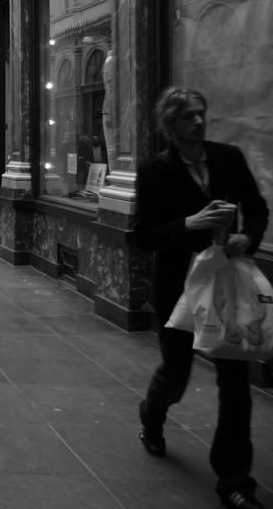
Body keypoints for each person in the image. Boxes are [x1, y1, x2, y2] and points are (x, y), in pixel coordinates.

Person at [135, 87, 269, 509]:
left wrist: (249, 237)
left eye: (201, 114)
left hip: (226, 283)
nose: (198, 121)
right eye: (188, 116)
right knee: (176, 373)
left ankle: (234, 480)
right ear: (170, 125)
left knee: (235, 384)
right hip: (180, 288)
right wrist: (190, 223)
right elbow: (144, 235)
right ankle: (152, 415)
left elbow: (257, 207)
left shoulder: (227, 157)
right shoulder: (155, 170)